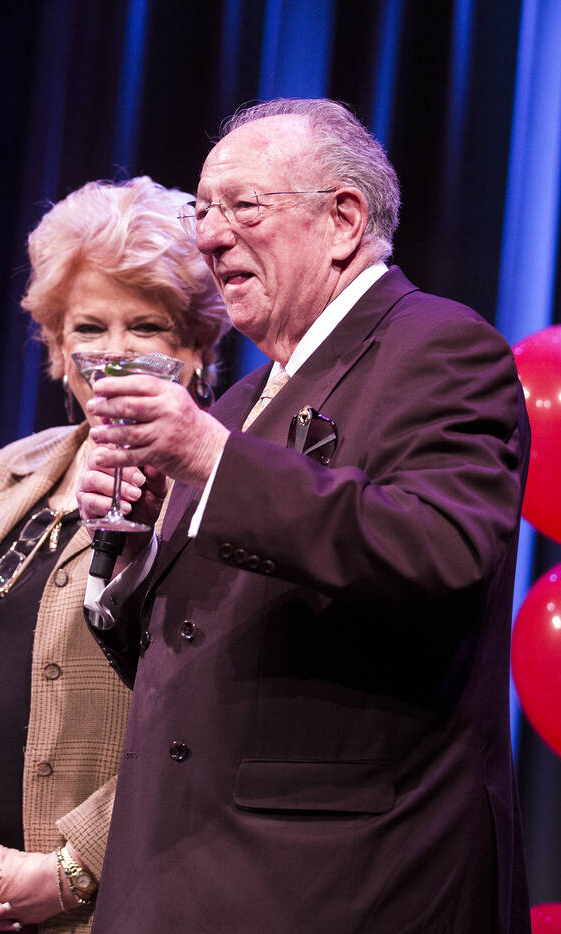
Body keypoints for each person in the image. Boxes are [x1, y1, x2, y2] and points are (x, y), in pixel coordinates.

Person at [78, 99, 531, 932]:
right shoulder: (246, 398)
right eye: (204, 211)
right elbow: (183, 651)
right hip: (176, 876)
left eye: (243, 207)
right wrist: (132, 545)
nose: (211, 237)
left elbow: (442, 549)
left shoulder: (440, 346)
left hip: (338, 886)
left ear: (343, 220)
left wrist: (212, 462)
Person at [0, 177, 228, 934]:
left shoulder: (216, 495)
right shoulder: (2, 475)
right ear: (55, 347)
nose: (114, 353)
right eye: (88, 328)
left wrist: (74, 868)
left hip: (110, 908)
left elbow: (206, 718)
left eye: (147, 326)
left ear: (197, 347)